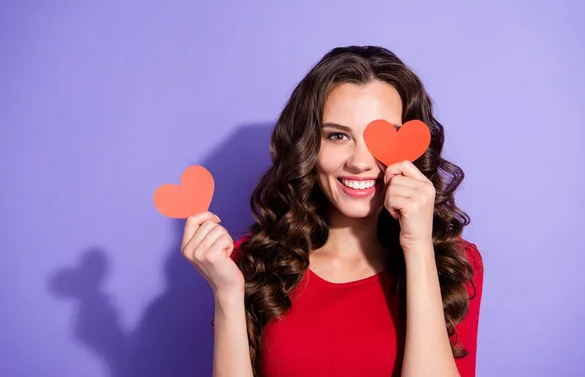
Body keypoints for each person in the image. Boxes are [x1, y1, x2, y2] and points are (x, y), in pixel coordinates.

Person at [180, 46, 484, 377]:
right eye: (338, 136)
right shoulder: (251, 266)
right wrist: (227, 295)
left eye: (382, 137)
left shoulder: (455, 266)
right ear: (309, 145)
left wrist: (418, 247)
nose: (360, 162)